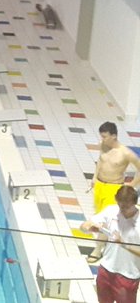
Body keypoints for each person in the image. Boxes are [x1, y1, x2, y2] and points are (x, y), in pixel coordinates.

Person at [87, 123, 140, 263]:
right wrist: (94, 177)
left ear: (114, 136)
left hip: (113, 188)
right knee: (98, 216)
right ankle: (103, 244)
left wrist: (131, 185)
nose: (102, 139)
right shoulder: (104, 146)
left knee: (106, 220)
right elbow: (100, 161)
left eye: (104, 137)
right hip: (99, 185)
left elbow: (139, 168)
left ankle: (98, 249)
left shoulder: (126, 153)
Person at [80, 185, 140, 302]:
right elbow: (83, 226)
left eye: (126, 207)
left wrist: (124, 244)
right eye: (120, 206)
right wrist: (88, 227)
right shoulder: (111, 210)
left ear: (134, 203)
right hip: (106, 269)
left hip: (128, 275)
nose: (122, 210)